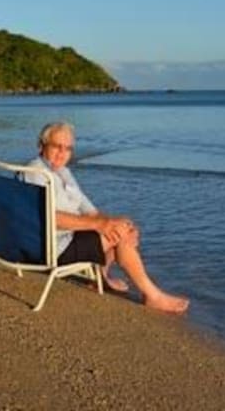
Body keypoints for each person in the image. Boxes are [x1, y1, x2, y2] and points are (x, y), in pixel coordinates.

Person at [22, 121, 189, 314]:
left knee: (119, 227)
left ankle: (103, 278)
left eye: (68, 148)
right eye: (56, 146)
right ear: (41, 145)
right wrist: (104, 225)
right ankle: (153, 296)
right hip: (53, 247)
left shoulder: (62, 172)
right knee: (117, 233)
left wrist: (116, 222)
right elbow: (49, 217)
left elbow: (90, 211)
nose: (62, 153)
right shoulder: (36, 173)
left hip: (66, 237)